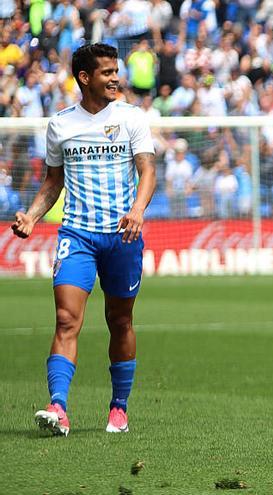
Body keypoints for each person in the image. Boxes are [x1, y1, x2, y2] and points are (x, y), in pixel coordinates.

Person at [11, 43, 156, 437]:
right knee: (65, 319)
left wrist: (138, 210)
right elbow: (52, 181)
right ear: (85, 78)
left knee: (120, 320)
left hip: (123, 236)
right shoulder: (60, 125)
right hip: (77, 234)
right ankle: (58, 406)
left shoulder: (131, 118)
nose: (115, 78)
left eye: (116, 71)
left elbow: (148, 172)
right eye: (107, 72)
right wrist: (32, 215)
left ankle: (119, 408)